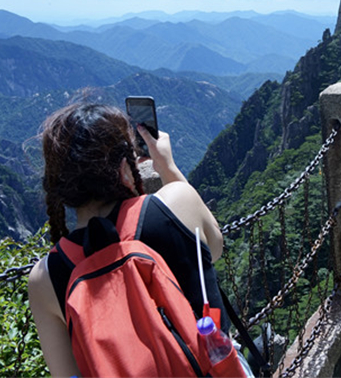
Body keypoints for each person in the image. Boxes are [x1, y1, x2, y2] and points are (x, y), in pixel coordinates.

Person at [27, 102, 228, 377]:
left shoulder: (45, 278)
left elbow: (66, 373)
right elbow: (214, 248)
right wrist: (166, 166)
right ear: (124, 168)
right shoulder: (178, 203)